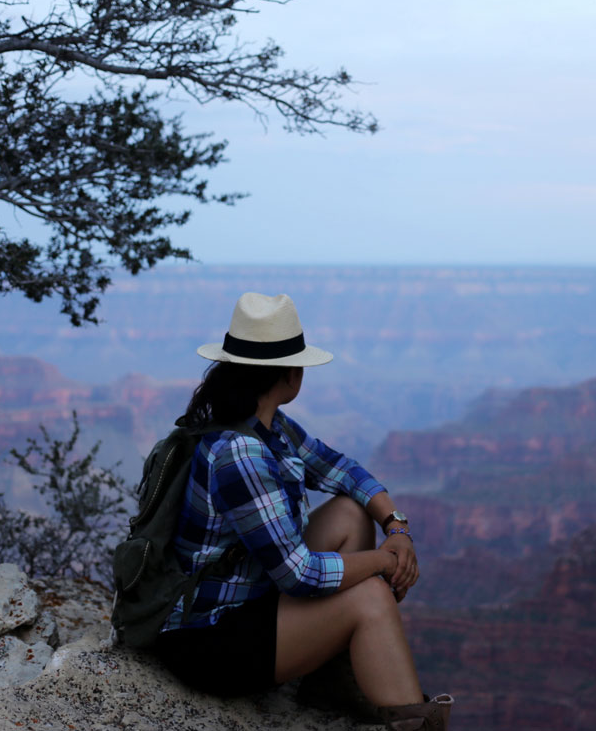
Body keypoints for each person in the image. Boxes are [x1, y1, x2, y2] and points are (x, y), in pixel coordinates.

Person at [153, 292, 452, 730]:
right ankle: (414, 722)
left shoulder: (267, 426)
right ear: (290, 374)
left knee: (351, 512)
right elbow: (300, 576)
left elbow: (342, 470)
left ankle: (329, 677)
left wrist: (396, 526)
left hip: (248, 600)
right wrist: (384, 563)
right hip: (208, 640)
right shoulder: (241, 454)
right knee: (370, 596)